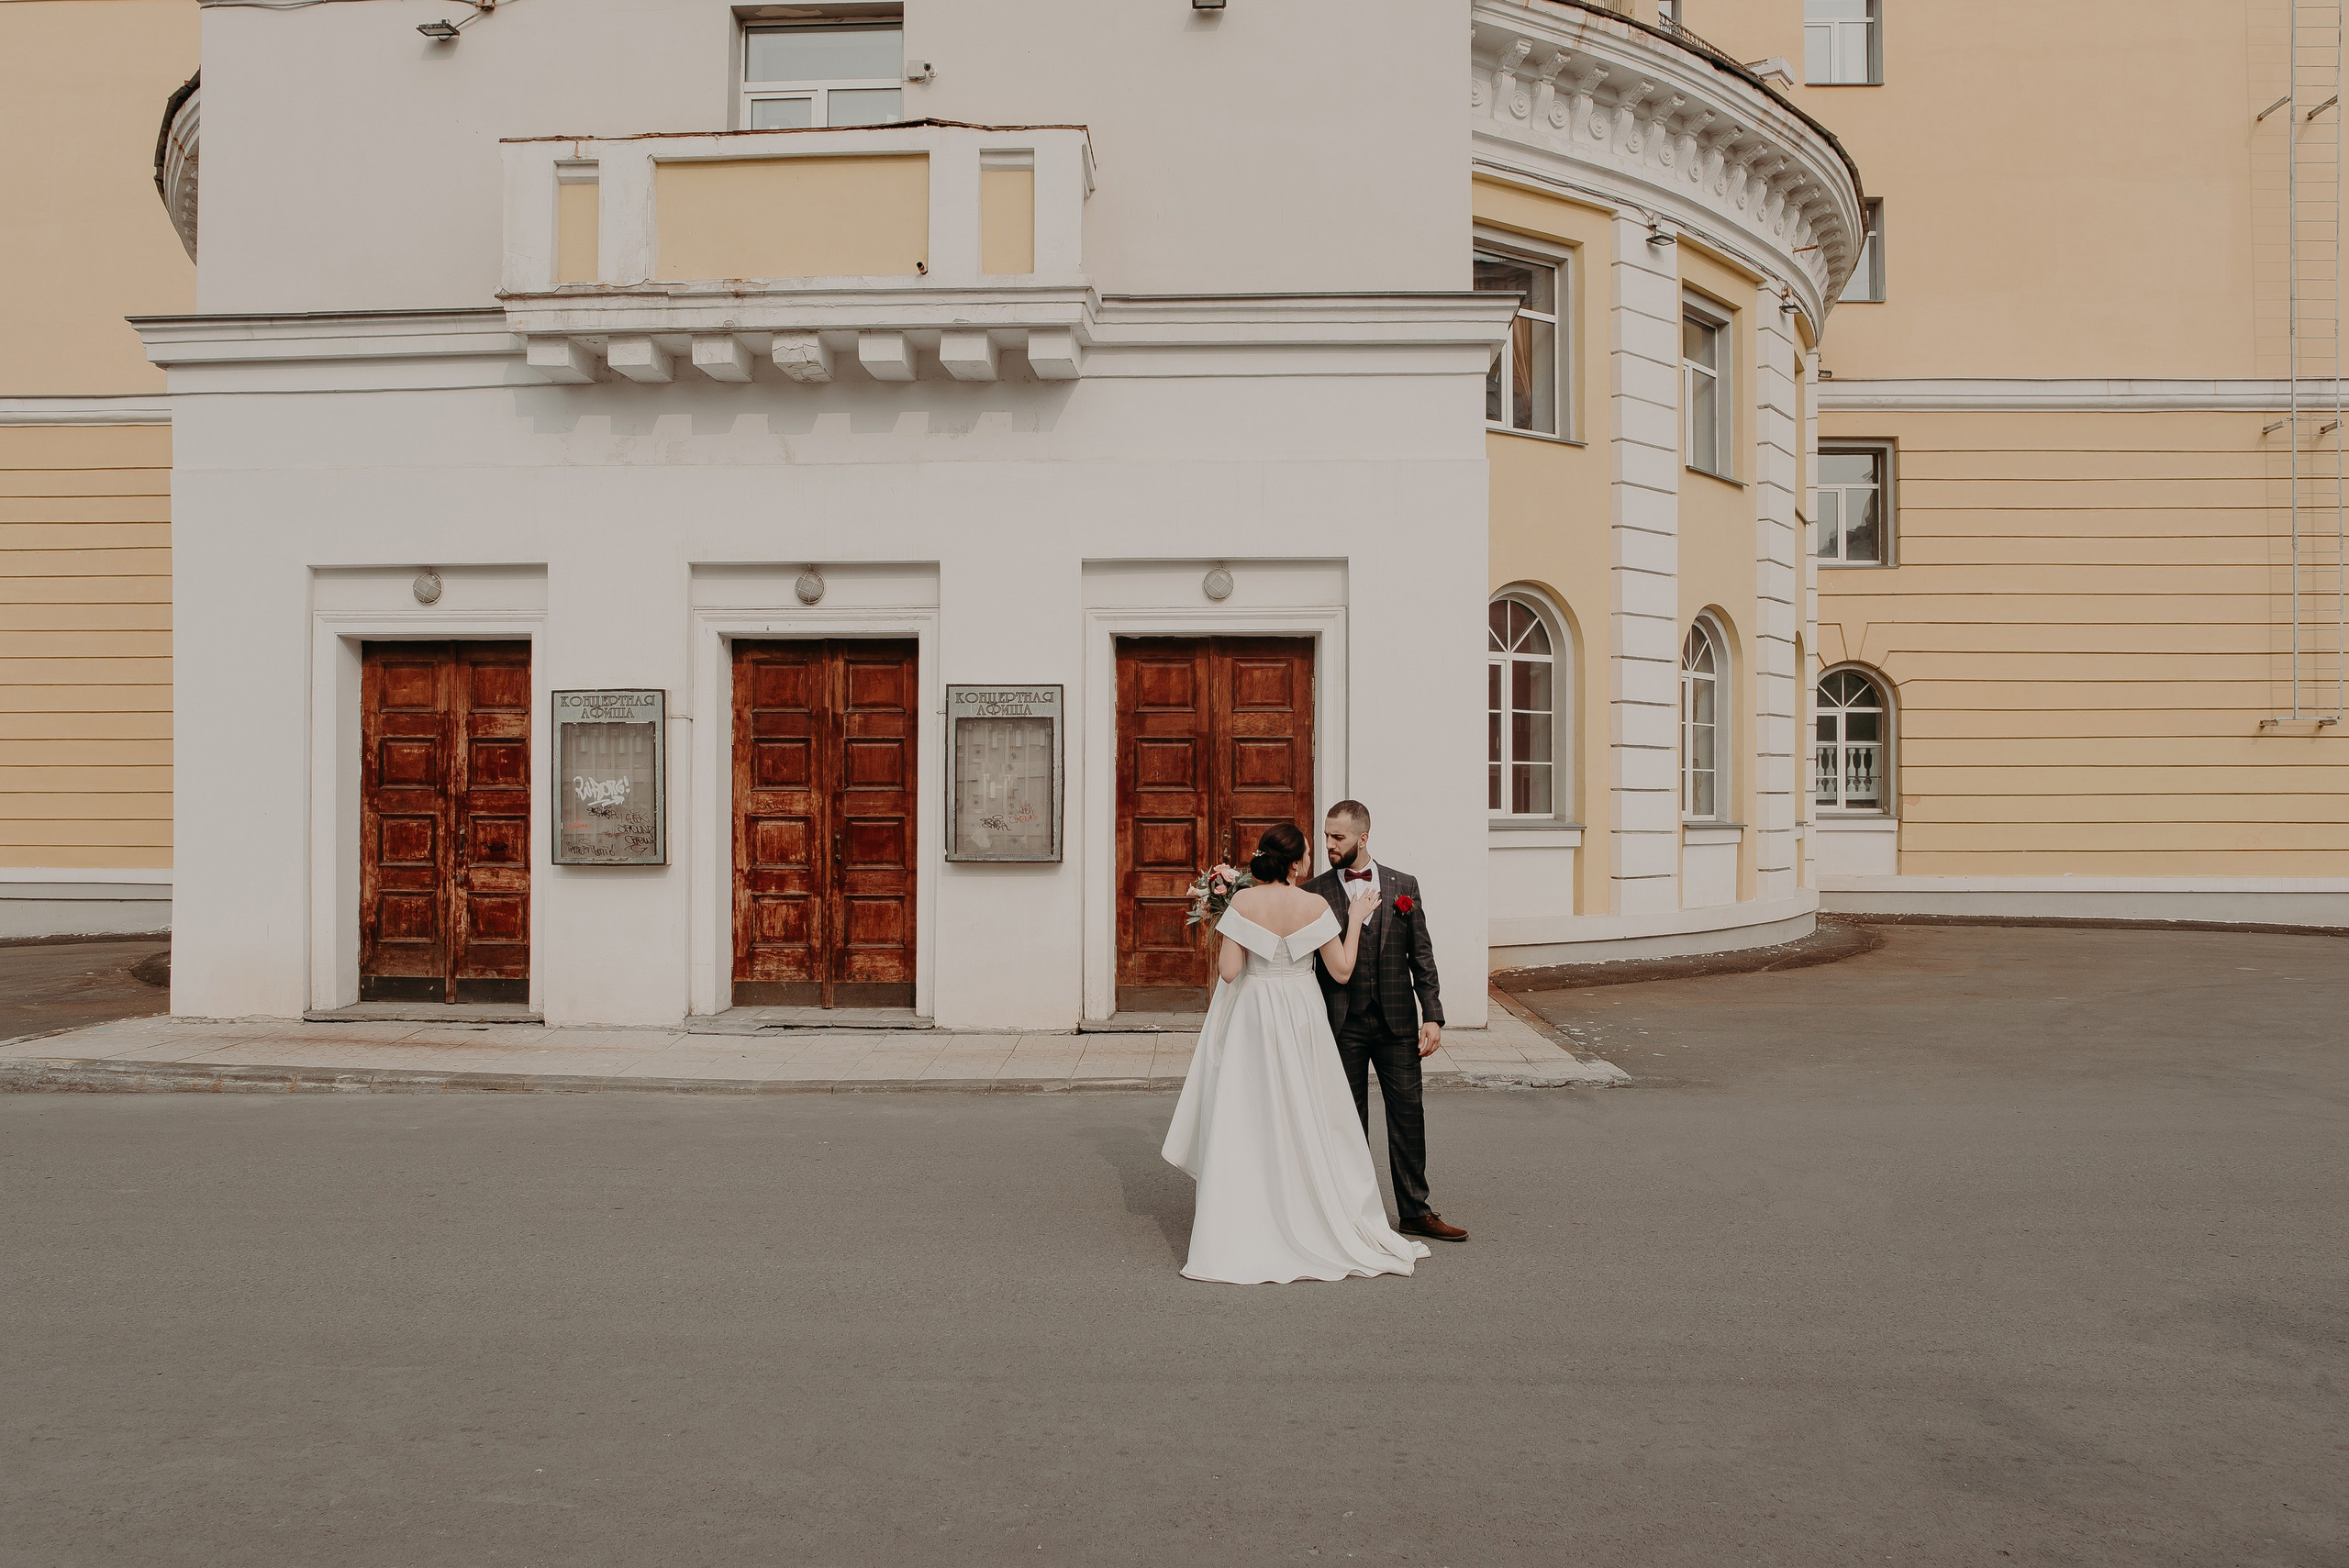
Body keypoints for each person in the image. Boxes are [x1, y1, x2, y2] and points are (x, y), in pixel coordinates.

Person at [1160, 822, 1432, 1284]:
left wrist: (1231, 928)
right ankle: (1313, 1210)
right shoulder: (1316, 904)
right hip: (1301, 1013)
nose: (1313, 856)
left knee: (1251, 1115)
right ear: (1296, 862)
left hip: (1255, 1014)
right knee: (1305, 1111)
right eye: (1308, 851)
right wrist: (1359, 920)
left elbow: (1229, 972)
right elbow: (1343, 972)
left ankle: (1247, 1219)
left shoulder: (1243, 901)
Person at [1302, 799, 1468, 1243]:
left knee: (1409, 1117)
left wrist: (1432, 1015)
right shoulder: (1315, 890)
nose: (1330, 844)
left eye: (1338, 837)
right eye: (1327, 836)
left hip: (1397, 1022)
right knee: (1348, 1122)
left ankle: (1415, 1211)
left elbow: (1422, 955)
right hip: (1343, 1023)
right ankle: (1353, 1215)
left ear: (1363, 837)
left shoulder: (1403, 884)